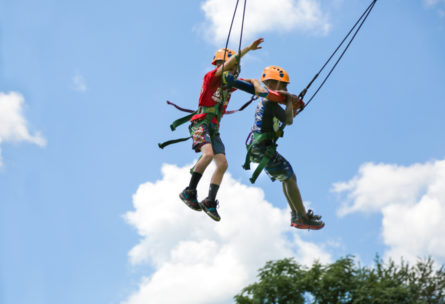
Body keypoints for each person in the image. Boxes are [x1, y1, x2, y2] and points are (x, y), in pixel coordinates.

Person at [180, 38, 267, 222]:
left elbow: (250, 80)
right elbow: (227, 66)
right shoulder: (211, 78)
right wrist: (247, 49)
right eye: (230, 66)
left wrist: (257, 85)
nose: (233, 70)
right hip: (201, 122)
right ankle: (189, 191)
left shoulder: (229, 85)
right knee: (208, 155)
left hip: (213, 128)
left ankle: (209, 200)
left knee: (223, 164)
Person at [246, 65, 325, 230]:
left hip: (261, 148)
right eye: (284, 86)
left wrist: (293, 106)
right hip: (262, 148)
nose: (286, 89)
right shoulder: (269, 102)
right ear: (273, 85)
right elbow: (288, 121)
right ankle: (301, 216)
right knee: (289, 176)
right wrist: (289, 101)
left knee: (287, 177)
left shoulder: (270, 103)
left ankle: (297, 214)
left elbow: (286, 118)